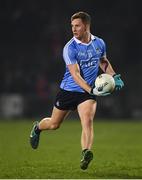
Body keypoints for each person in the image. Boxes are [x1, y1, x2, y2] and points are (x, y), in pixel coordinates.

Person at [30, 11, 124, 170]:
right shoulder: (69, 48)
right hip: (69, 90)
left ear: (86, 26)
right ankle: (37, 128)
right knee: (54, 124)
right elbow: (75, 74)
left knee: (87, 121)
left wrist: (114, 76)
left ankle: (85, 152)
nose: (73, 29)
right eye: (72, 26)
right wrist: (91, 89)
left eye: (77, 26)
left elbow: (103, 61)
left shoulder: (99, 43)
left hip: (87, 93)